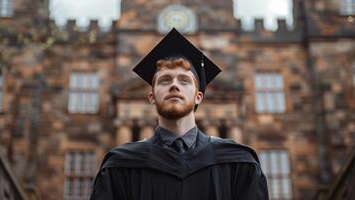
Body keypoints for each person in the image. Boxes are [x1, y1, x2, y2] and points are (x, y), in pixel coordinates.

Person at [90, 28, 269, 200]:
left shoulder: (240, 164)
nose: (174, 85)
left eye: (184, 80)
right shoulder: (119, 167)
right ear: (151, 97)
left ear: (199, 97)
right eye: (165, 80)